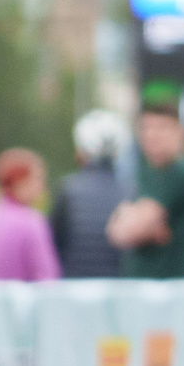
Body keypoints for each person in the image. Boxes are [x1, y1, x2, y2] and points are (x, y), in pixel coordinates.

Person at [109, 97, 184, 279]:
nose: (153, 135)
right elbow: (116, 234)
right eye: (146, 128)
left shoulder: (178, 171)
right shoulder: (147, 174)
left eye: (162, 127)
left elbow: (128, 231)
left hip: (173, 296)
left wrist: (131, 215)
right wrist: (142, 223)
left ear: (180, 132)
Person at [49, 110, 131, 280]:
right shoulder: (132, 189)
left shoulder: (67, 189)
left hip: (74, 290)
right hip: (120, 290)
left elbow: (53, 243)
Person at [0, 148, 60, 282]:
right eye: (37, 179)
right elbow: (46, 278)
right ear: (20, 182)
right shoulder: (31, 221)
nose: (41, 187)